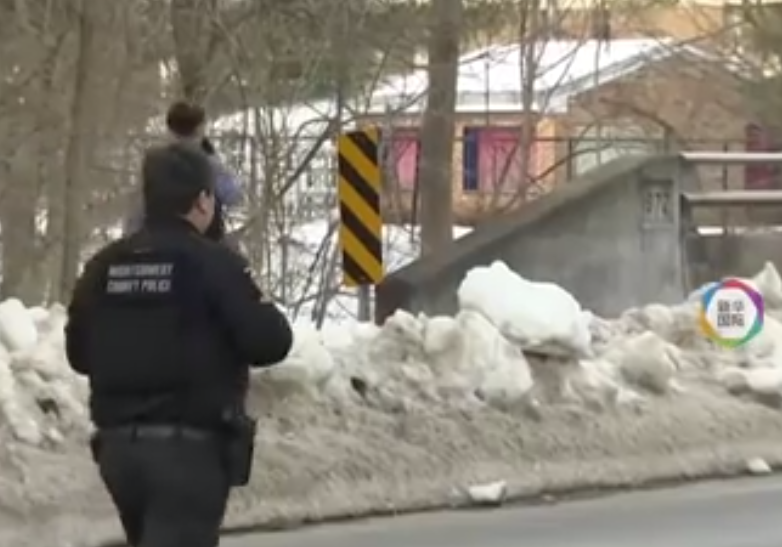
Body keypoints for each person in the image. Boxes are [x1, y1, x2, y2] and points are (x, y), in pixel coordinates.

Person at [65, 142, 293, 547]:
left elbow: (78, 354)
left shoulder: (103, 265)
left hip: (118, 451)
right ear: (203, 200)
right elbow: (269, 342)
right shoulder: (214, 263)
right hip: (190, 453)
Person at [124, 101, 243, 242]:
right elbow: (233, 196)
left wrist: (131, 242)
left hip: (157, 241)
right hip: (202, 242)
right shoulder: (208, 164)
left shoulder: (153, 162)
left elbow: (137, 210)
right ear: (199, 130)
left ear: (169, 129)